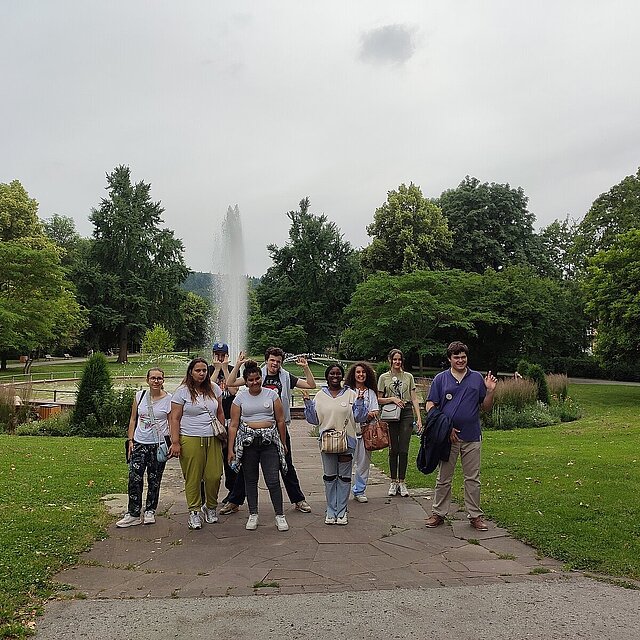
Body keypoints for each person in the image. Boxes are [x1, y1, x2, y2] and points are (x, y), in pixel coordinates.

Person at [223, 347, 314, 514]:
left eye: (278, 361)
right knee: (247, 468)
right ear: (267, 360)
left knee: (286, 464)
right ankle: (235, 500)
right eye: (272, 360)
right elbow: (230, 383)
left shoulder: (286, 377)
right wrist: (237, 365)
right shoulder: (257, 376)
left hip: (277, 428)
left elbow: (311, 385)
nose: (275, 364)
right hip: (251, 431)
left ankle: (298, 499)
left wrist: (306, 368)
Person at [424, 341, 497, 531]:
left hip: (472, 436)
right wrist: (445, 427)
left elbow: (486, 407)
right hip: (448, 438)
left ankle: (475, 515)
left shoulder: (476, 379)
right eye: (456, 357)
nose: (460, 360)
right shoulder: (441, 379)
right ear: (449, 359)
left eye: (463, 356)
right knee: (444, 477)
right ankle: (438, 513)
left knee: (472, 478)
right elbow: (430, 405)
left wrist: (489, 391)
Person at [227, 358, 289, 531]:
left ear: (261, 378)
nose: (254, 382)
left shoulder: (272, 395)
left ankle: (279, 515)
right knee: (250, 479)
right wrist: (230, 449)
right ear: (246, 382)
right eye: (251, 380)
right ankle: (253, 513)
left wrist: (283, 443)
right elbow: (233, 425)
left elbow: (280, 420)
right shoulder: (240, 398)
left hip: (269, 442)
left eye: (257, 379)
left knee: (273, 480)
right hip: (248, 443)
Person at [303, 363, 367, 525]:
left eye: (338, 373)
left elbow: (360, 418)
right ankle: (331, 510)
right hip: (327, 442)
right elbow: (314, 420)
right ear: (327, 376)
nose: (335, 376)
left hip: (347, 441)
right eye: (332, 373)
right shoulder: (320, 395)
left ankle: (342, 510)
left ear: (342, 376)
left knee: (344, 478)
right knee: (330, 477)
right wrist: (308, 404)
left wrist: (360, 401)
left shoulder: (351, 394)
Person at [169, 358, 225, 530]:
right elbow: (174, 418)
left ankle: (210, 506)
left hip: (212, 437)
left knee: (214, 476)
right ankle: (194, 511)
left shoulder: (214, 389)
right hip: (190, 437)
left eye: (204, 371)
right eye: (198, 371)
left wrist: (223, 434)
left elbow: (220, 412)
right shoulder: (183, 391)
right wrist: (175, 441)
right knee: (193, 477)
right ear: (191, 372)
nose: (201, 374)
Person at [117, 368, 172, 527]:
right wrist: (131, 440)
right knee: (134, 479)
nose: (156, 381)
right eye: (153, 378)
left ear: (163, 380)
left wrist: (173, 443)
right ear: (147, 380)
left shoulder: (169, 399)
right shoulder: (139, 396)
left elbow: (171, 421)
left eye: (159, 378)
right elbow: (133, 419)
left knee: (154, 479)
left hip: (158, 445)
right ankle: (133, 513)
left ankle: (150, 511)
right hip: (140, 443)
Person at [377, 348, 423, 497]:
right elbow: (379, 398)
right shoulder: (384, 377)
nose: (397, 362)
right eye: (394, 359)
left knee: (404, 448)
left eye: (399, 359)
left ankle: (402, 481)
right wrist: (392, 399)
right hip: (391, 412)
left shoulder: (408, 376)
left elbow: (414, 398)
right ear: (390, 360)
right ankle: (393, 481)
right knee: (393, 449)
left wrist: (419, 417)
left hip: (406, 412)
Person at [207, 342, 239, 510]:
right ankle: (209, 495)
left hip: (230, 421)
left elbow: (233, 391)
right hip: (214, 423)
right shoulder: (207, 370)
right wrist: (217, 369)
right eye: (217, 354)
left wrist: (225, 369)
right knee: (213, 459)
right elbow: (208, 390)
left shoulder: (234, 369)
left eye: (223, 354)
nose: (220, 357)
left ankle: (233, 494)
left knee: (230, 458)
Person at [344, 362, 379, 503]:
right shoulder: (347, 391)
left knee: (363, 464)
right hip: (350, 432)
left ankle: (359, 490)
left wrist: (367, 414)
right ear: (353, 374)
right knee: (347, 463)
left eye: (363, 372)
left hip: (365, 432)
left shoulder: (370, 392)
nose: (361, 375)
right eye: (358, 372)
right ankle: (344, 490)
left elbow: (375, 410)